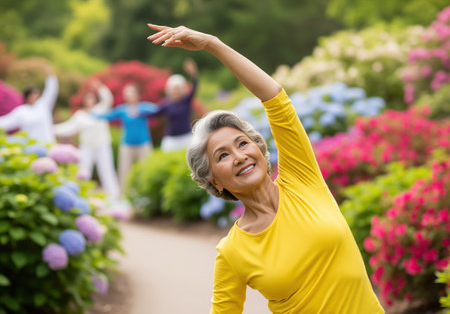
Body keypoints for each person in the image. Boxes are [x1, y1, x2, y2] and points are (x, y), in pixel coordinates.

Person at [147, 24, 385, 314]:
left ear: (260, 149)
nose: (239, 156)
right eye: (222, 155)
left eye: (242, 144)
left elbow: (275, 98)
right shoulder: (232, 252)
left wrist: (212, 43)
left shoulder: (301, 178)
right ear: (213, 180)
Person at [53, 80, 120, 200]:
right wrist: (52, 129)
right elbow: (68, 127)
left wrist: (100, 87)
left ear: (95, 100)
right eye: (87, 98)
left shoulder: (101, 110)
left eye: (91, 98)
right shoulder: (80, 115)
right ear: (84, 101)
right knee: (83, 170)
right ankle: (80, 195)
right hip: (87, 147)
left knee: (107, 170)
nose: (89, 101)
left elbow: (108, 99)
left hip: (102, 145)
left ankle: (114, 196)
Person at [93, 83, 158, 191]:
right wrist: (91, 114)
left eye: (131, 92)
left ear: (137, 95)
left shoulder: (144, 107)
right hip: (127, 145)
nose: (127, 94)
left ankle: (146, 194)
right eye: (126, 92)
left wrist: (140, 111)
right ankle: (123, 196)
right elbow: (107, 116)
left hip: (144, 144)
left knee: (146, 170)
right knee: (124, 171)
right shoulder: (122, 109)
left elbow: (157, 110)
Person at [0, 64, 58, 143]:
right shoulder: (22, 111)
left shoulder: (43, 105)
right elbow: (6, 122)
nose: (34, 98)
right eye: (32, 95)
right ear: (27, 97)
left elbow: (51, 91)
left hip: (47, 143)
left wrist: (50, 76)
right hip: (31, 147)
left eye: (36, 95)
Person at [158, 58, 198, 152]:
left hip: (186, 137)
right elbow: (155, 113)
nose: (176, 91)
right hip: (171, 139)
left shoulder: (186, 100)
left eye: (178, 88)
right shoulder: (166, 103)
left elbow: (195, 87)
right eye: (174, 89)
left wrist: (194, 74)